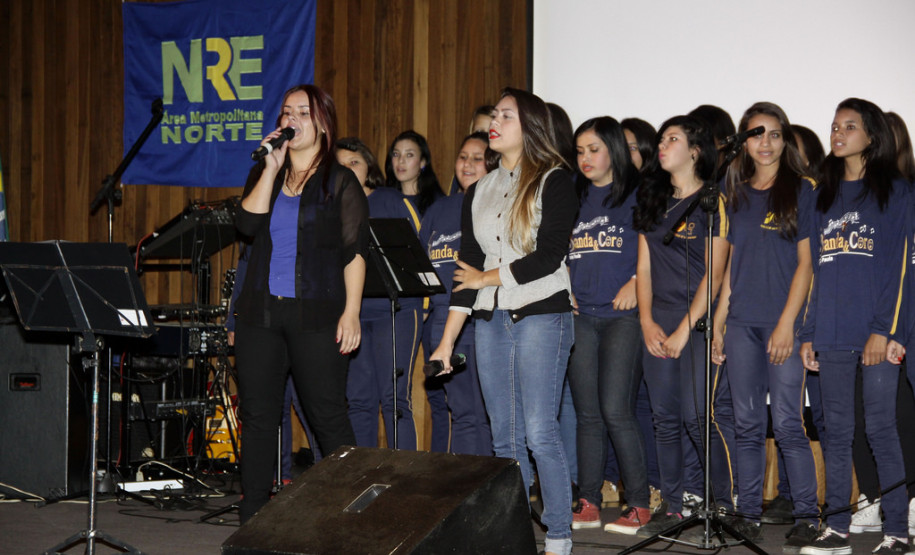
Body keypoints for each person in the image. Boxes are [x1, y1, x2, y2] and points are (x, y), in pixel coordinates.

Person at [429, 87, 579, 555]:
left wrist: (488, 276)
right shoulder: (477, 191)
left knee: (539, 430)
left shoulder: (555, 180)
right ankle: (513, 537)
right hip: (491, 320)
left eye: (505, 115)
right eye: (493, 113)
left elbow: (549, 257)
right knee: (505, 436)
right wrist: (443, 343)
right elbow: (464, 278)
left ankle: (558, 536)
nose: (494, 121)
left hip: (542, 313)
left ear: (529, 126)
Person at [233, 84, 368, 523]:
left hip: (317, 314)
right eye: (286, 112)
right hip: (261, 314)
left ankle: (351, 512)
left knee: (327, 415)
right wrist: (271, 168)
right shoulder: (267, 174)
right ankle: (252, 514)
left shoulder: (339, 180)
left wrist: (351, 312)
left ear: (323, 123)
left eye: (303, 112)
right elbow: (247, 226)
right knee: (257, 415)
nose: (292, 119)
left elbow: (354, 252)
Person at [799, 98, 910, 555]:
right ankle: (838, 530)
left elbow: (903, 269)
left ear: (872, 136)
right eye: (834, 126)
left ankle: (898, 532)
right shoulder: (819, 194)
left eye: (850, 126)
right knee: (837, 432)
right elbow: (813, 271)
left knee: (881, 429)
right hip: (830, 332)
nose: (838, 133)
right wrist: (808, 331)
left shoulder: (897, 191)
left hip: (876, 332)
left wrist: (886, 330)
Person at [710, 102, 819, 549]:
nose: (766, 143)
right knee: (747, 423)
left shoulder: (804, 189)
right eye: (756, 134)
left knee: (790, 424)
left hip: (783, 327)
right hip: (741, 326)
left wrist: (787, 325)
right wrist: (718, 323)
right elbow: (732, 268)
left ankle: (809, 515)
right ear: (744, 141)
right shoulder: (733, 193)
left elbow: (807, 264)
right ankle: (748, 512)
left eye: (774, 134)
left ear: (785, 139)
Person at [632, 115, 735, 537]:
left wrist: (683, 330)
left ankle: (725, 502)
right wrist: (646, 322)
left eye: (672, 139)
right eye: (661, 139)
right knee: (664, 418)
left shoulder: (715, 201)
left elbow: (715, 273)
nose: (662, 145)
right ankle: (673, 505)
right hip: (658, 318)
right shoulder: (653, 199)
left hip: (697, 321)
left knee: (696, 415)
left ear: (694, 150)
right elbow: (643, 268)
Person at [565, 116, 651, 535]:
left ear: (614, 150)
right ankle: (588, 501)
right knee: (587, 415)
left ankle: (638, 502)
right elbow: (554, 252)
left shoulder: (639, 193)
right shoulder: (571, 196)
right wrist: (565, 289)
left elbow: (655, 251)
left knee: (616, 409)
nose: (585, 158)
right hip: (581, 316)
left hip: (624, 319)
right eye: (580, 151)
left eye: (594, 149)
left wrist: (636, 281)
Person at [338, 136, 423, 450]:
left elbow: (418, 253)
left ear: (368, 167)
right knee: (359, 400)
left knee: (394, 398)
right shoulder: (331, 209)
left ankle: (403, 482)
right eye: (340, 166)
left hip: (396, 311)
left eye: (354, 163)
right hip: (354, 315)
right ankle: (365, 477)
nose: (347, 170)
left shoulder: (390, 199)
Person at [420, 131, 494, 456]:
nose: (468, 164)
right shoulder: (439, 209)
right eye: (463, 157)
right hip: (439, 320)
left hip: (479, 322)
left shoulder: (494, 208)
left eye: (478, 158)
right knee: (459, 412)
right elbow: (420, 263)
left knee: (481, 414)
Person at [385, 130, 443, 217]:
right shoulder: (384, 197)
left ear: (422, 162)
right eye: (396, 154)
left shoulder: (437, 203)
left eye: (409, 155)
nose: (401, 160)